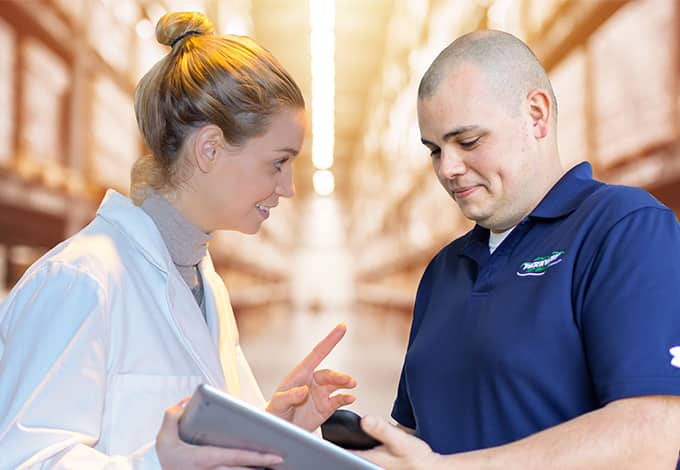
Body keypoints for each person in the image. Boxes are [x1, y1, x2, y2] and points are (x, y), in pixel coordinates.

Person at [0, 11, 357, 469]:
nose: (288, 187)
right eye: (278, 162)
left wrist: (273, 425)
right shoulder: (80, 281)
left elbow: (201, 441)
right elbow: (21, 461)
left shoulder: (205, 285)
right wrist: (155, 465)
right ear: (209, 148)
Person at [357, 29, 680, 469]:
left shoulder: (623, 229)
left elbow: (651, 439)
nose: (448, 168)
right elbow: (417, 438)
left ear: (536, 116)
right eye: (434, 150)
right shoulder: (443, 271)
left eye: (468, 141)